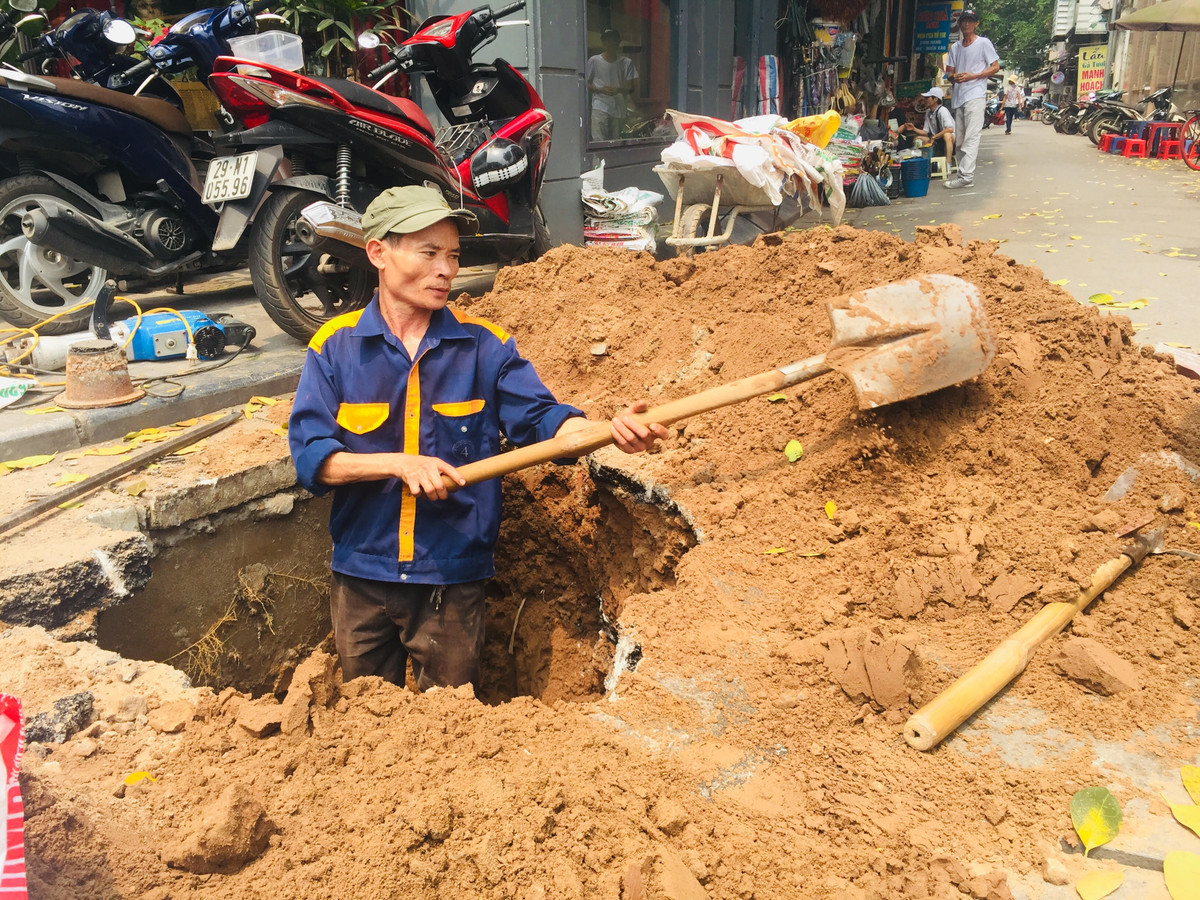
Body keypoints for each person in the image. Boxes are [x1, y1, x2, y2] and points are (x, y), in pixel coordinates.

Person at [288, 185, 668, 691]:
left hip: (450, 580)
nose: (446, 270)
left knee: (454, 724)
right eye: (429, 253)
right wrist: (399, 463)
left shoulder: (485, 346)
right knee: (366, 715)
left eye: (453, 255)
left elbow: (544, 421)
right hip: (361, 575)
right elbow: (313, 458)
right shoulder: (333, 348)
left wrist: (606, 432)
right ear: (378, 252)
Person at [944, 8, 999, 189]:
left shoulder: (983, 43)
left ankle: (966, 176)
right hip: (959, 96)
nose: (966, 24)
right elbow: (949, 74)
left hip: (975, 94)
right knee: (959, 139)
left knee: (971, 136)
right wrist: (955, 77)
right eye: (963, 21)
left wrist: (973, 76)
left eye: (970, 21)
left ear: (976, 24)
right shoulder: (956, 47)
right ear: (959, 24)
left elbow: (995, 67)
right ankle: (963, 176)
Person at [586, 28, 638, 142]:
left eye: (613, 40)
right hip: (599, 107)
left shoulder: (626, 62)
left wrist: (619, 90)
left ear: (618, 42)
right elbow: (585, 83)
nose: (610, 43)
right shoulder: (594, 61)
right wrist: (600, 89)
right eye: (607, 40)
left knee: (616, 143)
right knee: (599, 142)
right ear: (603, 42)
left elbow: (631, 87)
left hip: (619, 109)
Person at [895, 86, 955, 164]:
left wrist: (934, 137)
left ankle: (948, 163)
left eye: (927, 98)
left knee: (947, 135)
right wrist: (914, 129)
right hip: (936, 139)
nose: (925, 100)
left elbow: (950, 129)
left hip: (949, 139)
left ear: (935, 99)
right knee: (917, 139)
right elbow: (926, 132)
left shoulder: (942, 110)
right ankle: (923, 162)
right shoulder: (928, 112)